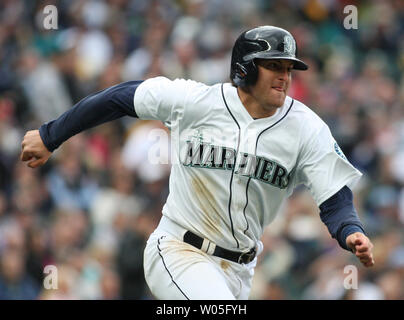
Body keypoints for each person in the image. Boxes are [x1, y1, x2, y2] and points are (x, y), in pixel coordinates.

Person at [20, 26, 374, 300]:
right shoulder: (196, 102)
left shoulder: (306, 127)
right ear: (244, 70)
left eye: (288, 68)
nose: (284, 76)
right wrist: (51, 135)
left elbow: (334, 197)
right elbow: (119, 98)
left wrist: (350, 230)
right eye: (273, 66)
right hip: (179, 249)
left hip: (240, 270)